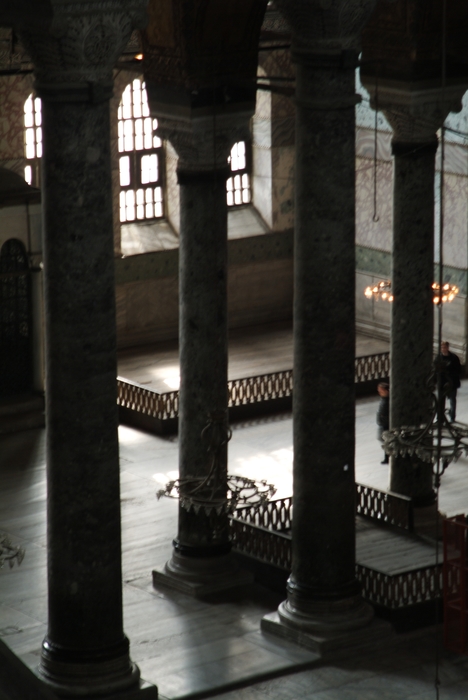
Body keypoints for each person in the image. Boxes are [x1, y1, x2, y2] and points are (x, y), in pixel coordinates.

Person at [440, 341, 462, 422]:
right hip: (441, 383)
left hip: (452, 382)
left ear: (448, 348)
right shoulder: (439, 357)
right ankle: (440, 418)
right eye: (442, 347)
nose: (443, 349)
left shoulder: (454, 358)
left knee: (452, 399)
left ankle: (452, 417)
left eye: (445, 347)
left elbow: (458, 370)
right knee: (441, 401)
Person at [376, 382, 390, 464]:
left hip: (386, 423)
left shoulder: (387, 400)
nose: (379, 392)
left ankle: (387, 456)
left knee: (385, 439)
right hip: (382, 423)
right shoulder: (383, 399)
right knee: (383, 439)